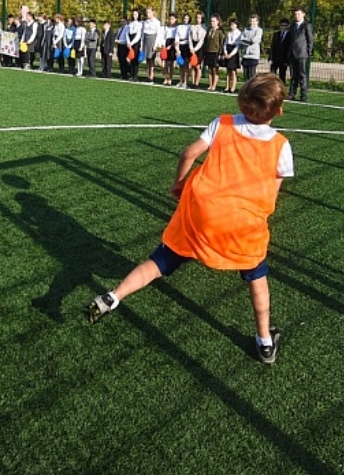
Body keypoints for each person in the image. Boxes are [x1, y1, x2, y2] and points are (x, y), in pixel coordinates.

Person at [85, 74, 294, 364]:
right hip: (243, 225)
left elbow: (189, 153)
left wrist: (179, 184)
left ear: (242, 101)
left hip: (201, 212)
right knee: (257, 279)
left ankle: (112, 297)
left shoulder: (223, 123)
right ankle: (265, 342)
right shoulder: (281, 145)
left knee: (160, 262)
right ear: (279, 110)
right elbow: (273, 189)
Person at [286, 6, 315, 102]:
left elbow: (310, 39)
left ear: (303, 14)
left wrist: (309, 51)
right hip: (292, 54)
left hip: (302, 54)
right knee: (293, 76)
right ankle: (292, 94)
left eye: (298, 14)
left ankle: (303, 95)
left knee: (302, 75)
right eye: (295, 14)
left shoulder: (307, 25)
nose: (296, 16)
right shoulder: (293, 26)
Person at [202, 15, 225, 91]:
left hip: (215, 52)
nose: (212, 23)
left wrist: (221, 53)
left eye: (214, 21)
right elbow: (206, 41)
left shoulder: (220, 31)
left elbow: (222, 43)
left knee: (215, 69)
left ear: (218, 22)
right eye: (211, 21)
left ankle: (214, 86)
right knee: (209, 69)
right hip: (208, 52)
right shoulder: (209, 30)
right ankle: (210, 85)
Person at [141, 8, 163, 83]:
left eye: (149, 12)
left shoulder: (157, 22)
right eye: (147, 12)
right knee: (147, 59)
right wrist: (142, 44)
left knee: (151, 59)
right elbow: (143, 34)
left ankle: (151, 76)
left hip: (152, 40)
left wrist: (155, 44)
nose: (147, 14)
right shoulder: (145, 22)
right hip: (146, 41)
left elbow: (158, 34)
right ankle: (147, 76)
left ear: (153, 13)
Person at [239, 14, 264, 81]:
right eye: (251, 21)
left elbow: (254, 40)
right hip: (245, 55)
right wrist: (247, 41)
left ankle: (252, 89)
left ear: (257, 22)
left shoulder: (259, 30)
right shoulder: (246, 29)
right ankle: (246, 89)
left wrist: (246, 40)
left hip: (254, 55)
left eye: (254, 21)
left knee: (252, 75)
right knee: (245, 75)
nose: (252, 23)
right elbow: (241, 40)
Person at [222, 18, 242, 94]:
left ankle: (233, 88)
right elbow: (225, 43)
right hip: (228, 50)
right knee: (228, 70)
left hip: (233, 52)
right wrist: (225, 52)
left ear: (236, 25)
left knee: (233, 70)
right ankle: (227, 87)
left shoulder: (239, 33)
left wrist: (231, 54)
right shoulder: (229, 33)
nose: (232, 26)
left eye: (233, 24)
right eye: (231, 24)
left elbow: (237, 45)